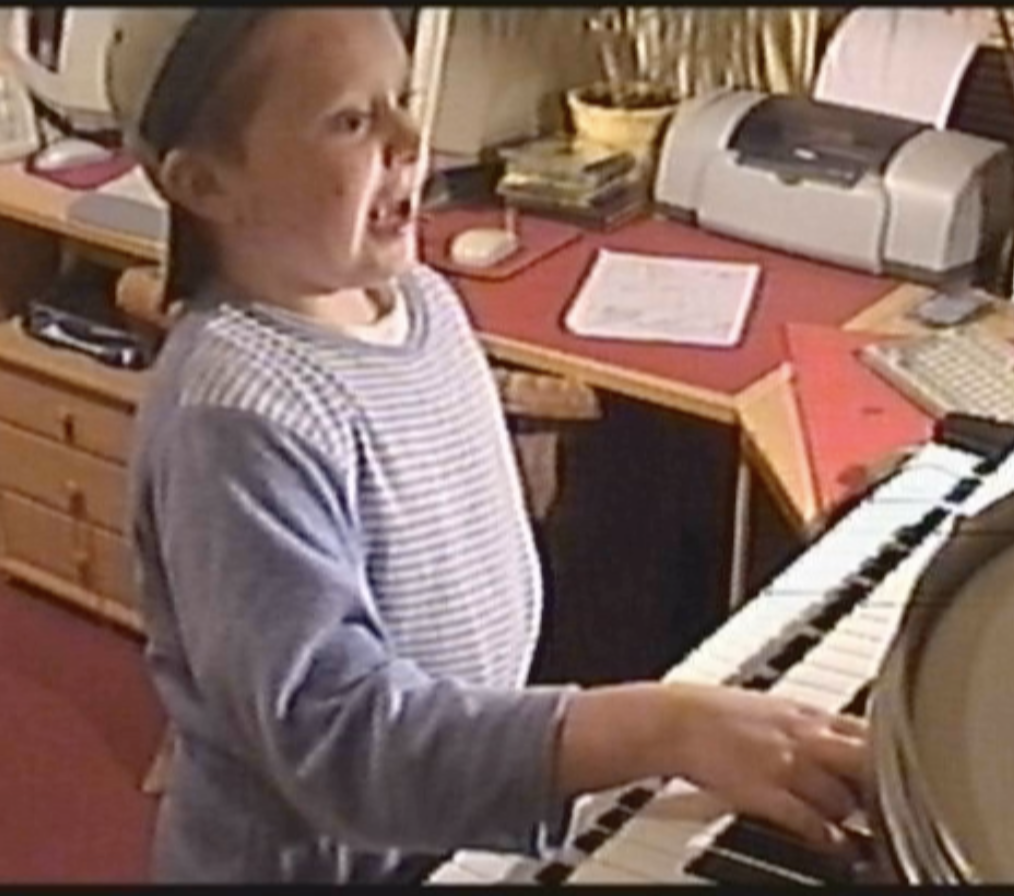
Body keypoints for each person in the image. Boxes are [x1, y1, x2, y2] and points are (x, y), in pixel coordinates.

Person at [109, 8, 869, 884]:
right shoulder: (236, 419)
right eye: (351, 120)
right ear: (206, 185)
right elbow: (341, 742)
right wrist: (659, 728)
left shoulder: (419, 298)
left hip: (443, 823)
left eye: (402, 97)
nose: (409, 136)